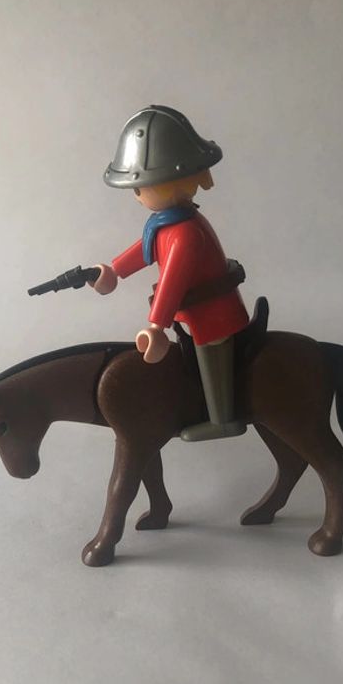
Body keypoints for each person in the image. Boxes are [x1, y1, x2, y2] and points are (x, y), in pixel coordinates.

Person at [90, 104, 249, 441]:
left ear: (169, 184)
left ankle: (222, 419)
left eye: (140, 187)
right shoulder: (167, 224)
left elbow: (172, 280)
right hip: (195, 309)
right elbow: (146, 249)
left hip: (212, 313)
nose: (136, 195)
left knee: (210, 350)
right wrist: (115, 270)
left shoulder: (185, 233)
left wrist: (156, 325)